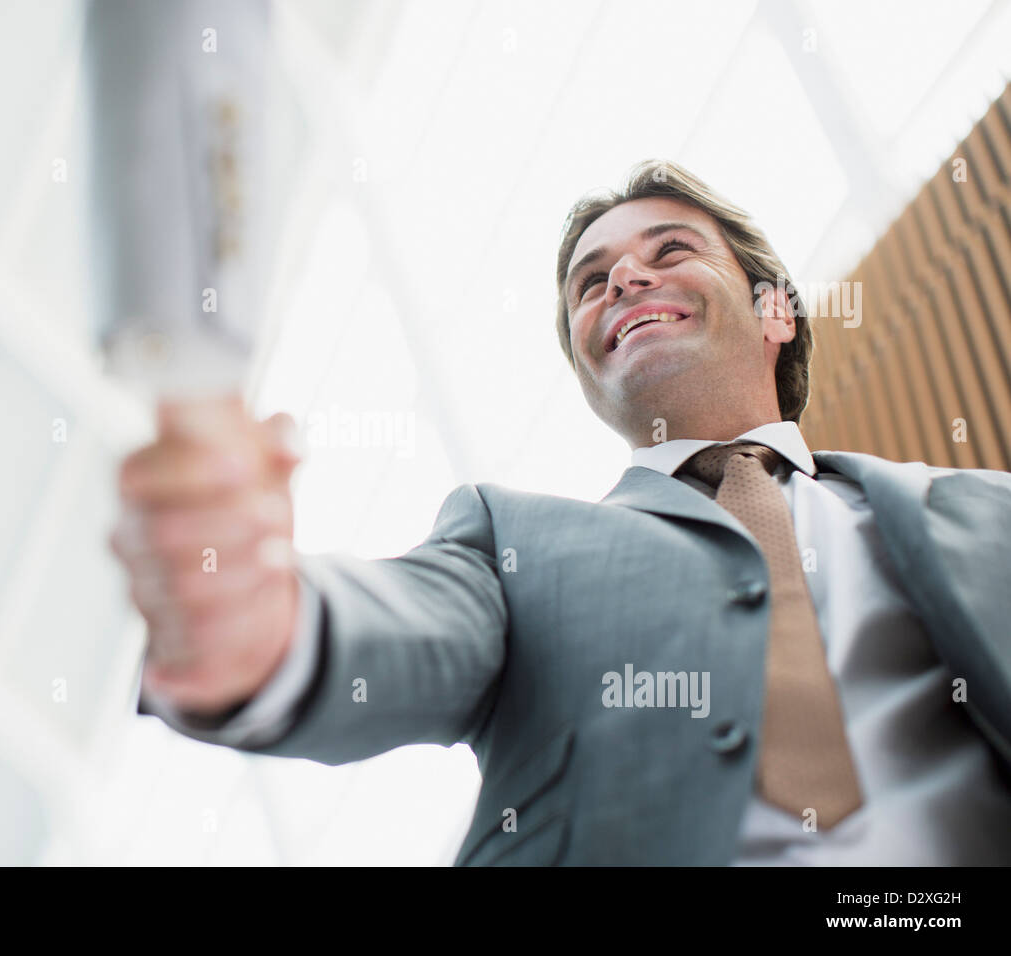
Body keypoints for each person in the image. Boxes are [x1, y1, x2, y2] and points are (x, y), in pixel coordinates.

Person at [110, 160, 1011, 865]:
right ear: (588, 368)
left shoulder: (985, 511)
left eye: (669, 252)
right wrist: (260, 616)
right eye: (591, 283)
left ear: (777, 311)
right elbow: (390, 633)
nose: (622, 278)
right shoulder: (513, 541)